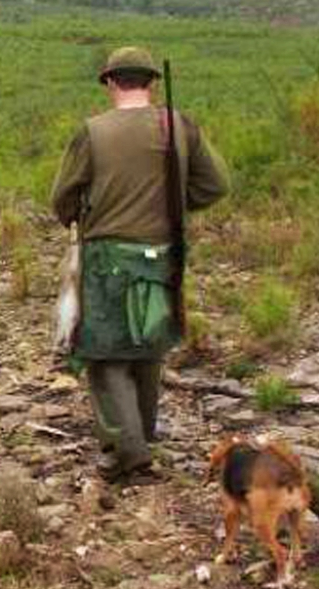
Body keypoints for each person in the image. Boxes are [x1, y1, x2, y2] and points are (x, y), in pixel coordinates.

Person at [51, 46, 229, 482]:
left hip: (107, 257)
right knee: (149, 347)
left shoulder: (92, 132)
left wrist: (80, 215)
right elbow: (215, 185)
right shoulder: (179, 126)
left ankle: (127, 452)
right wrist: (173, 205)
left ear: (111, 82)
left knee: (105, 354)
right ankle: (142, 437)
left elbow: (62, 199)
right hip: (163, 254)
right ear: (151, 82)